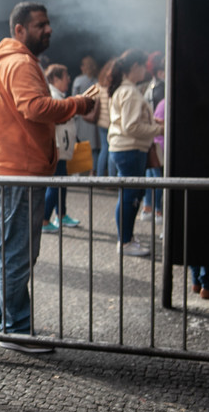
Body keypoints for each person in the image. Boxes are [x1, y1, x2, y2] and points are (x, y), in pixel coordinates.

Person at [0, 2, 93, 352]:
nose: (48, 30)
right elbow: (36, 108)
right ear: (19, 30)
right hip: (19, 176)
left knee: (1, 250)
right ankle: (15, 330)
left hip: (9, 172)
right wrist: (78, 104)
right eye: (40, 25)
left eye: (48, 24)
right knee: (15, 255)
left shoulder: (8, 62)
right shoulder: (20, 63)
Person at [107, 49, 164, 257]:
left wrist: (152, 123)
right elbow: (131, 127)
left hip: (124, 148)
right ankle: (125, 241)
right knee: (130, 195)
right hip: (130, 148)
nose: (145, 71)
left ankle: (126, 238)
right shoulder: (130, 91)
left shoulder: (123, 89)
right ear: (135, 67)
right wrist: (159, 129)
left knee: (129, 194)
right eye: (142, 67)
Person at [42, 64, 81, 233]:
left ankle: (61, 214)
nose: (69, 80)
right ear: (55, 79)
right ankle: (43, 220)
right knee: (55, 184)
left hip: (62, 147)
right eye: (66, 77)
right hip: (58, 147)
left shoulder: (59, 96)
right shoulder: (53, 97)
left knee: (61, 183)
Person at [141, 51, 166, 222]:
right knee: (157, 176)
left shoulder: (149, 87)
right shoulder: (162, 89)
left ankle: (147, 207)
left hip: (151, 136)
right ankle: (157, 210)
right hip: (159, 135)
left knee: (151, 174)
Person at [71, 56, 100, 174]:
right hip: (92, 118)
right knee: (93, 148)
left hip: (81, 117)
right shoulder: (97, 82)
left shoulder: (78, 80)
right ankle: (93, 172)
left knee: (79, 144)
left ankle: (78, 170)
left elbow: (74, 98)